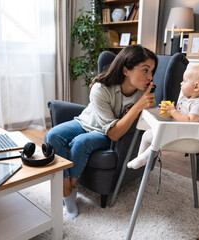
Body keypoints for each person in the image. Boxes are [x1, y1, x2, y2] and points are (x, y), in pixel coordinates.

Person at [44, 45, 158, 219]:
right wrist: (138, 107)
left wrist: (142, 106)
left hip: (108, 134)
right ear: (126, 70)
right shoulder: (101, 88)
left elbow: (114, 134)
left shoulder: (144, 94)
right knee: (52, 136)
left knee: (81, 143)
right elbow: (103, 120)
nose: (150, 77)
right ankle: (68, 190)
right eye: (145, 70)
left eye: (152, 71)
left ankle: (66, 193)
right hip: (86, 122)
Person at [127, 63, 199, 169]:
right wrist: (169, 111)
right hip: (176, 131)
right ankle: (141, 158)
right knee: (147, 135)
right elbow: (180, 115)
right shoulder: (187, 98)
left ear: (196, 86)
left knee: (158, 137)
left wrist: (173, 112)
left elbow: (190, 121)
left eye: (184, 81)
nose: (181, 83)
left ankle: (143, 158)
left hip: (187, 136)